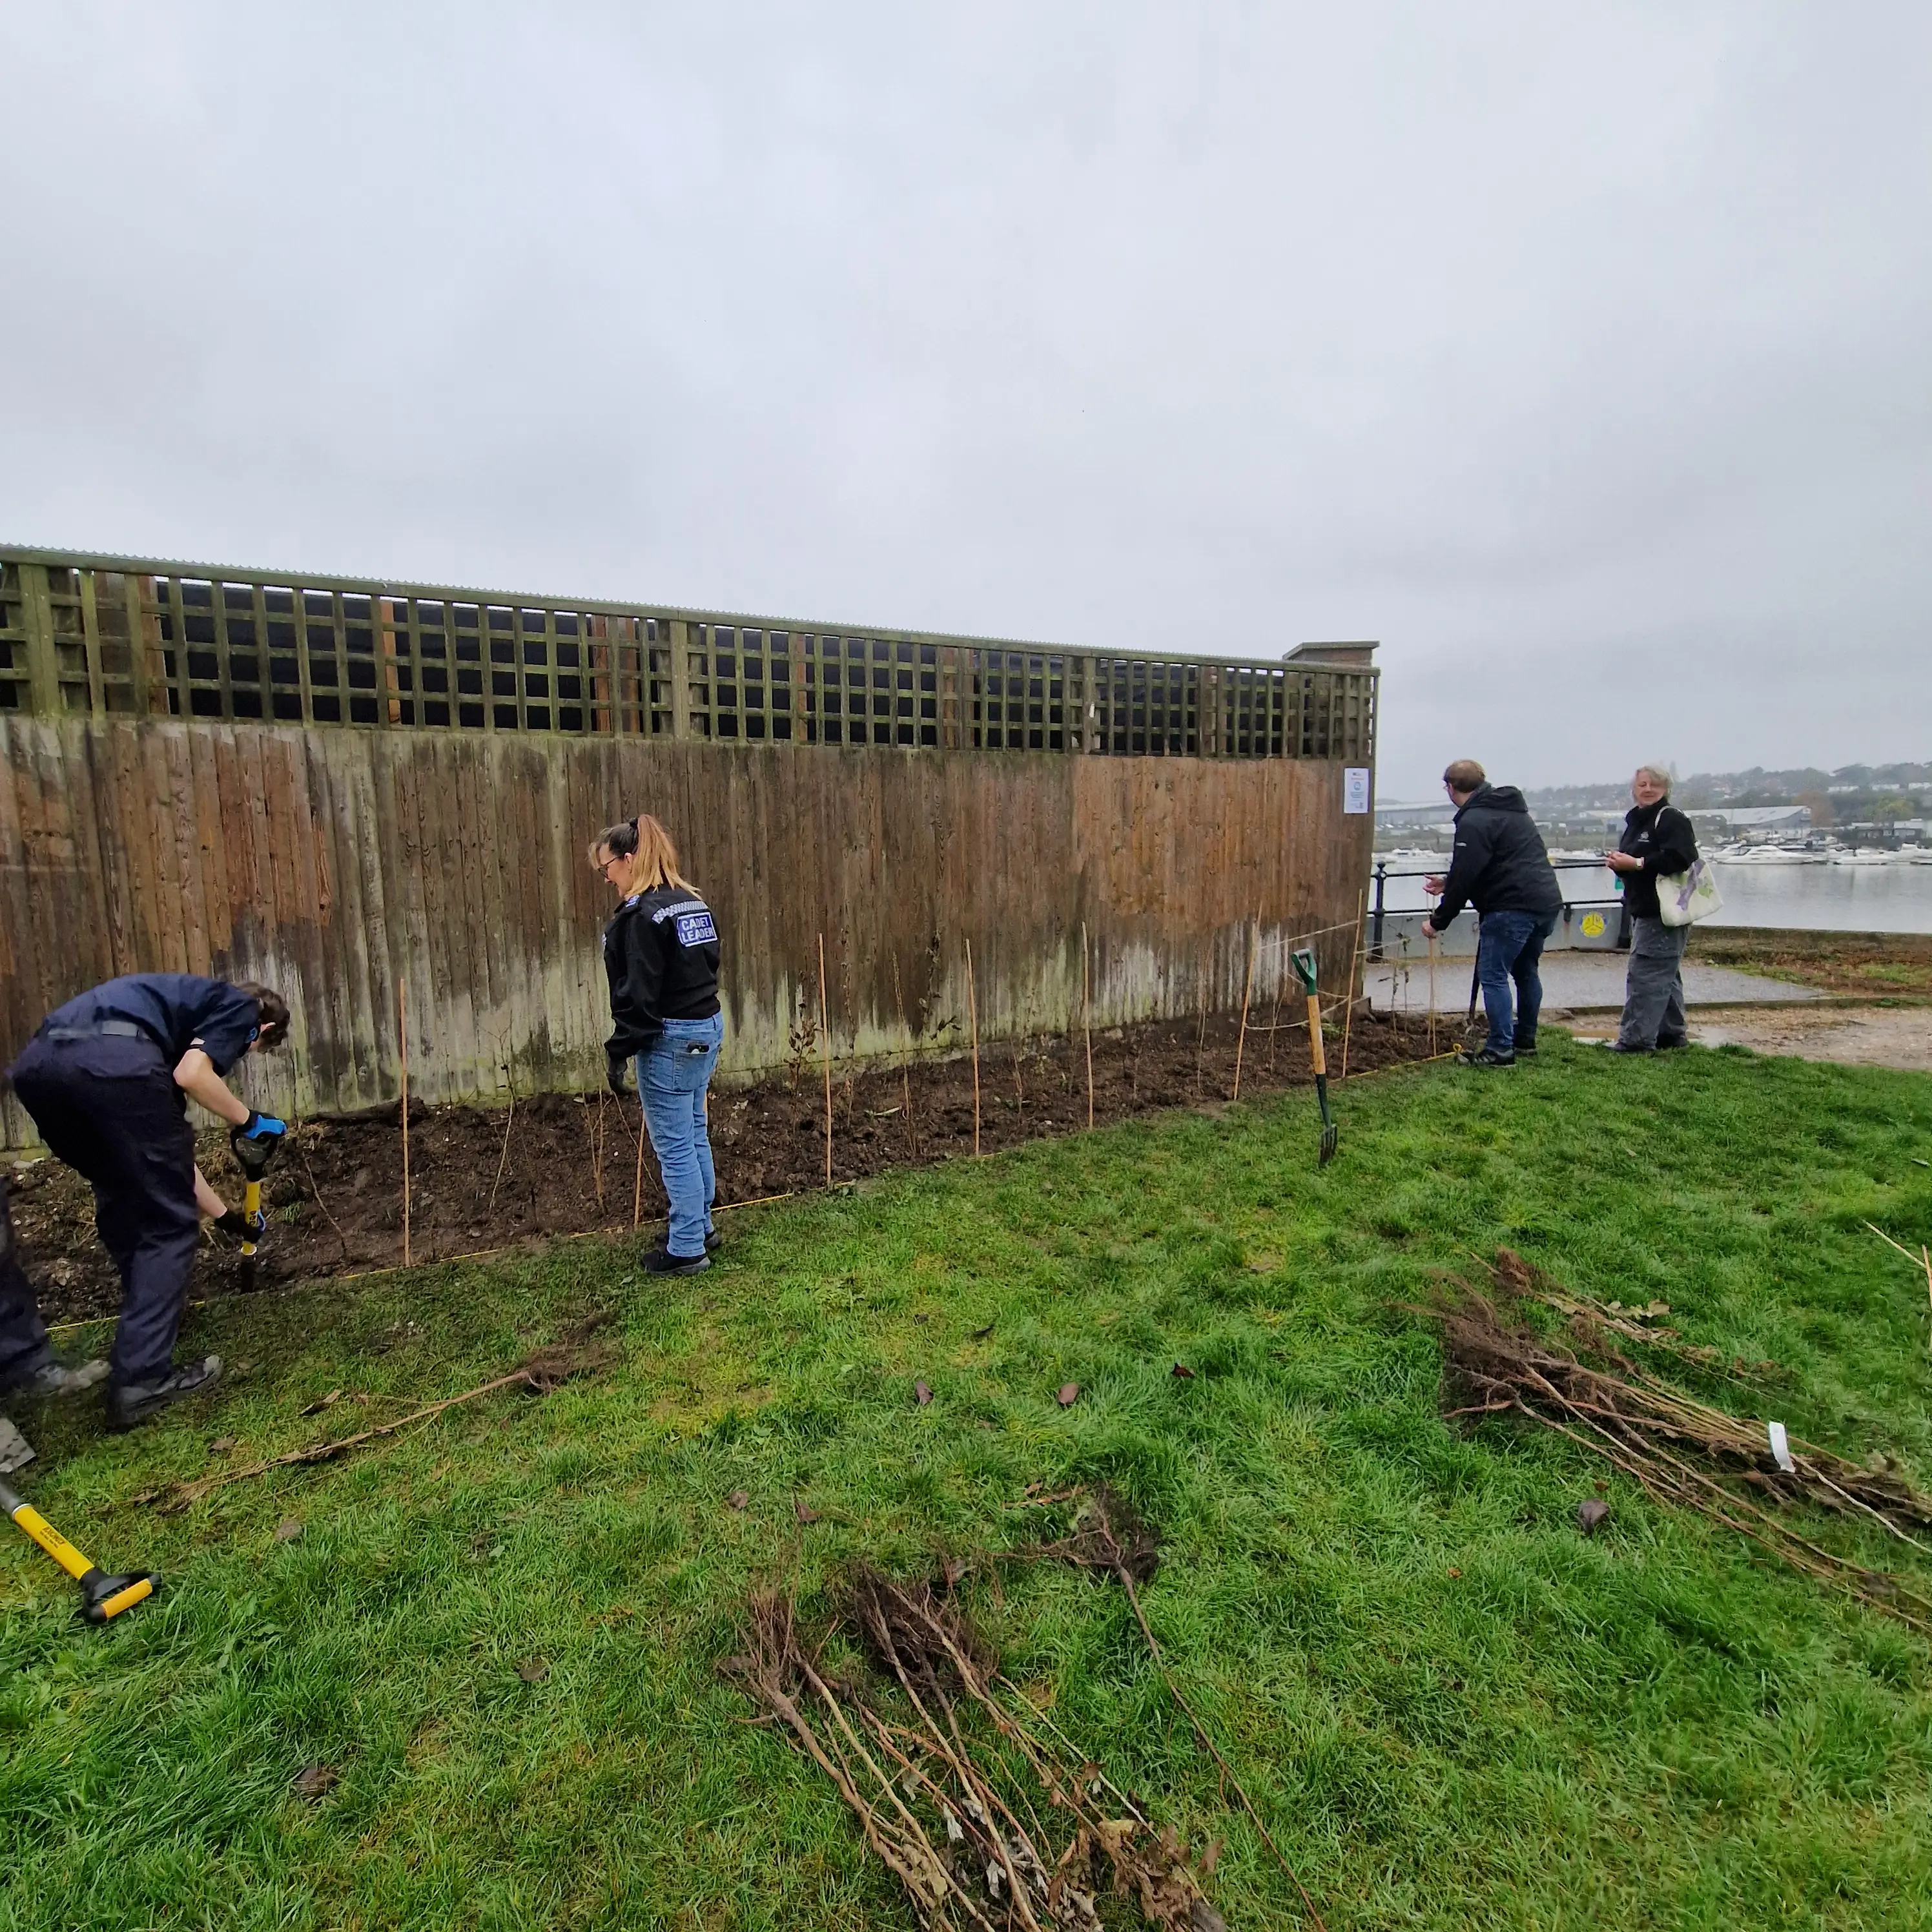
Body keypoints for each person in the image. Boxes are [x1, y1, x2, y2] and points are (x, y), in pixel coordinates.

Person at [3, 975, 289, 1430]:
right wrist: (250, 1120)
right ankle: (142, 1379)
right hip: (112, 1068)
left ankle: (149, 1329)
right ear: (265, 1031)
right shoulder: (241, 1008)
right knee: (167, 1227)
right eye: (249, 1050)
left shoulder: (161, 1020)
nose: (235, 1057)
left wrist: (226, 1217)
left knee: (128, 1197)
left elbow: (169, 1164)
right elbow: (194, 1075)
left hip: (39, 1071)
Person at [592, 815, 724, 1275]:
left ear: (629, 860)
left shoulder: (640, 918)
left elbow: (637, 997)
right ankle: (702, 1224)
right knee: (692, 1132)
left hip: (670, 1041)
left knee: (675, 1147)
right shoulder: (692, 904)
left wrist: (618, 1051)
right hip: (707, 1029)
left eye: (607, 866)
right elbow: (708, 967)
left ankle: (688, 1246)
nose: (606, 876)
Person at [1423, 759, 1563, 1067]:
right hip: (1545, 903)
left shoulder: (1473, 821)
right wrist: (1448, 883)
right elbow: (1497, 863)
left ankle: (1500, 1049)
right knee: (1526, 972)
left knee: (1493, 975)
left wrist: (1438, 922)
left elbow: (1467, 873)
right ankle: (1524, 1038)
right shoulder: (1513, 811)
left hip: (1509, 908)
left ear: (1450, 788)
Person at [1604, 764, 1700, 1053]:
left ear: (1665, 789)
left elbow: (1681, 857)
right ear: (1634, 789)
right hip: (1643, 906)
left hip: (1663, 910)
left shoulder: (1670, 819)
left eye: (1654, 785)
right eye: (1642, 784)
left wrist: (1637, 864)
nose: (1647, 789)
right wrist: (1621, 865)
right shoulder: (1637, 821)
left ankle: (1636, 1040)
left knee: (1646, 973)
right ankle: (1671, 1033)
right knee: (1664, 972)